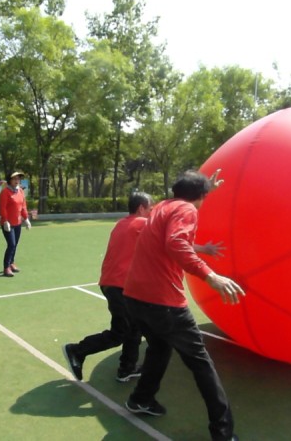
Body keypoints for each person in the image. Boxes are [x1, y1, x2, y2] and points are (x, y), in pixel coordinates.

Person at [122, 170, 245, 441]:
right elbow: (176, 242)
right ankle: (223, 432)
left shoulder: (162, 206)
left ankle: (141, 399)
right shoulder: (187, 209)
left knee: (159, 347)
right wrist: (210, 276)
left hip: (134, 297)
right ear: (200, 196)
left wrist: (206, 188)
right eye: (204, 195)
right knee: (201, 363)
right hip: (163, 302)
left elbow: (176, 223)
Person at [62, 192, 153, 383]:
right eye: (150, 208)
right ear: (141, 208)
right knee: (121, 332)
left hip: (114, 283)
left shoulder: (122, 223)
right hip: (119, 285)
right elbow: (169, 236)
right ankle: (77, 350)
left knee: (134, 327)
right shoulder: (141, 224)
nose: (152, 212)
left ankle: (127, 368)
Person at [0, 171, 31, 277]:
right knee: (11, 244)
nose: (17, 181)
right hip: (7, 224)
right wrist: (5, 221)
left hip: (17, 223)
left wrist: (26, 218)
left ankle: (12, 263)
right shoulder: (5, 192)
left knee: (15, 244)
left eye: (18, 179)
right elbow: (3, 208)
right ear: (10, 180)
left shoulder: (20, 191)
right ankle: (6, 267)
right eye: (14, 179)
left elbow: (23, 206)